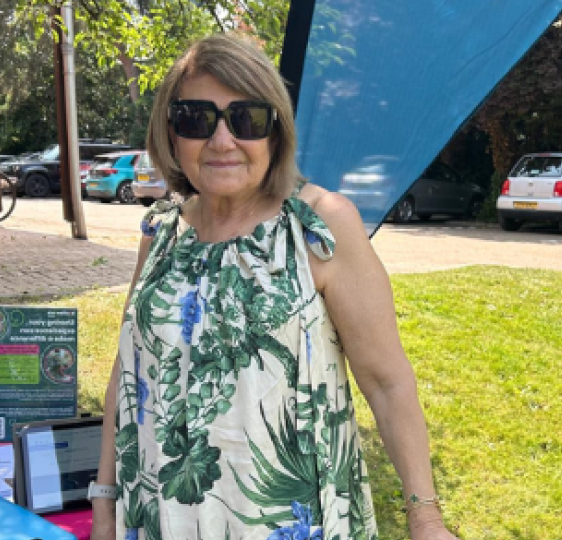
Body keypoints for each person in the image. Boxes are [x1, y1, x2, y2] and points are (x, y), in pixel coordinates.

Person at [90, 33, 458, 540]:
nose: (222, 141)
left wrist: (426, 517)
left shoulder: (320, 227)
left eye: (247, 118)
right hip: (160, 514)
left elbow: (387, 383)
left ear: (275, 132)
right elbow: (127, 372)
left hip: (284, 521)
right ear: (171, 133)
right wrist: (105, 497)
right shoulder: (161, 232)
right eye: (197, 118)